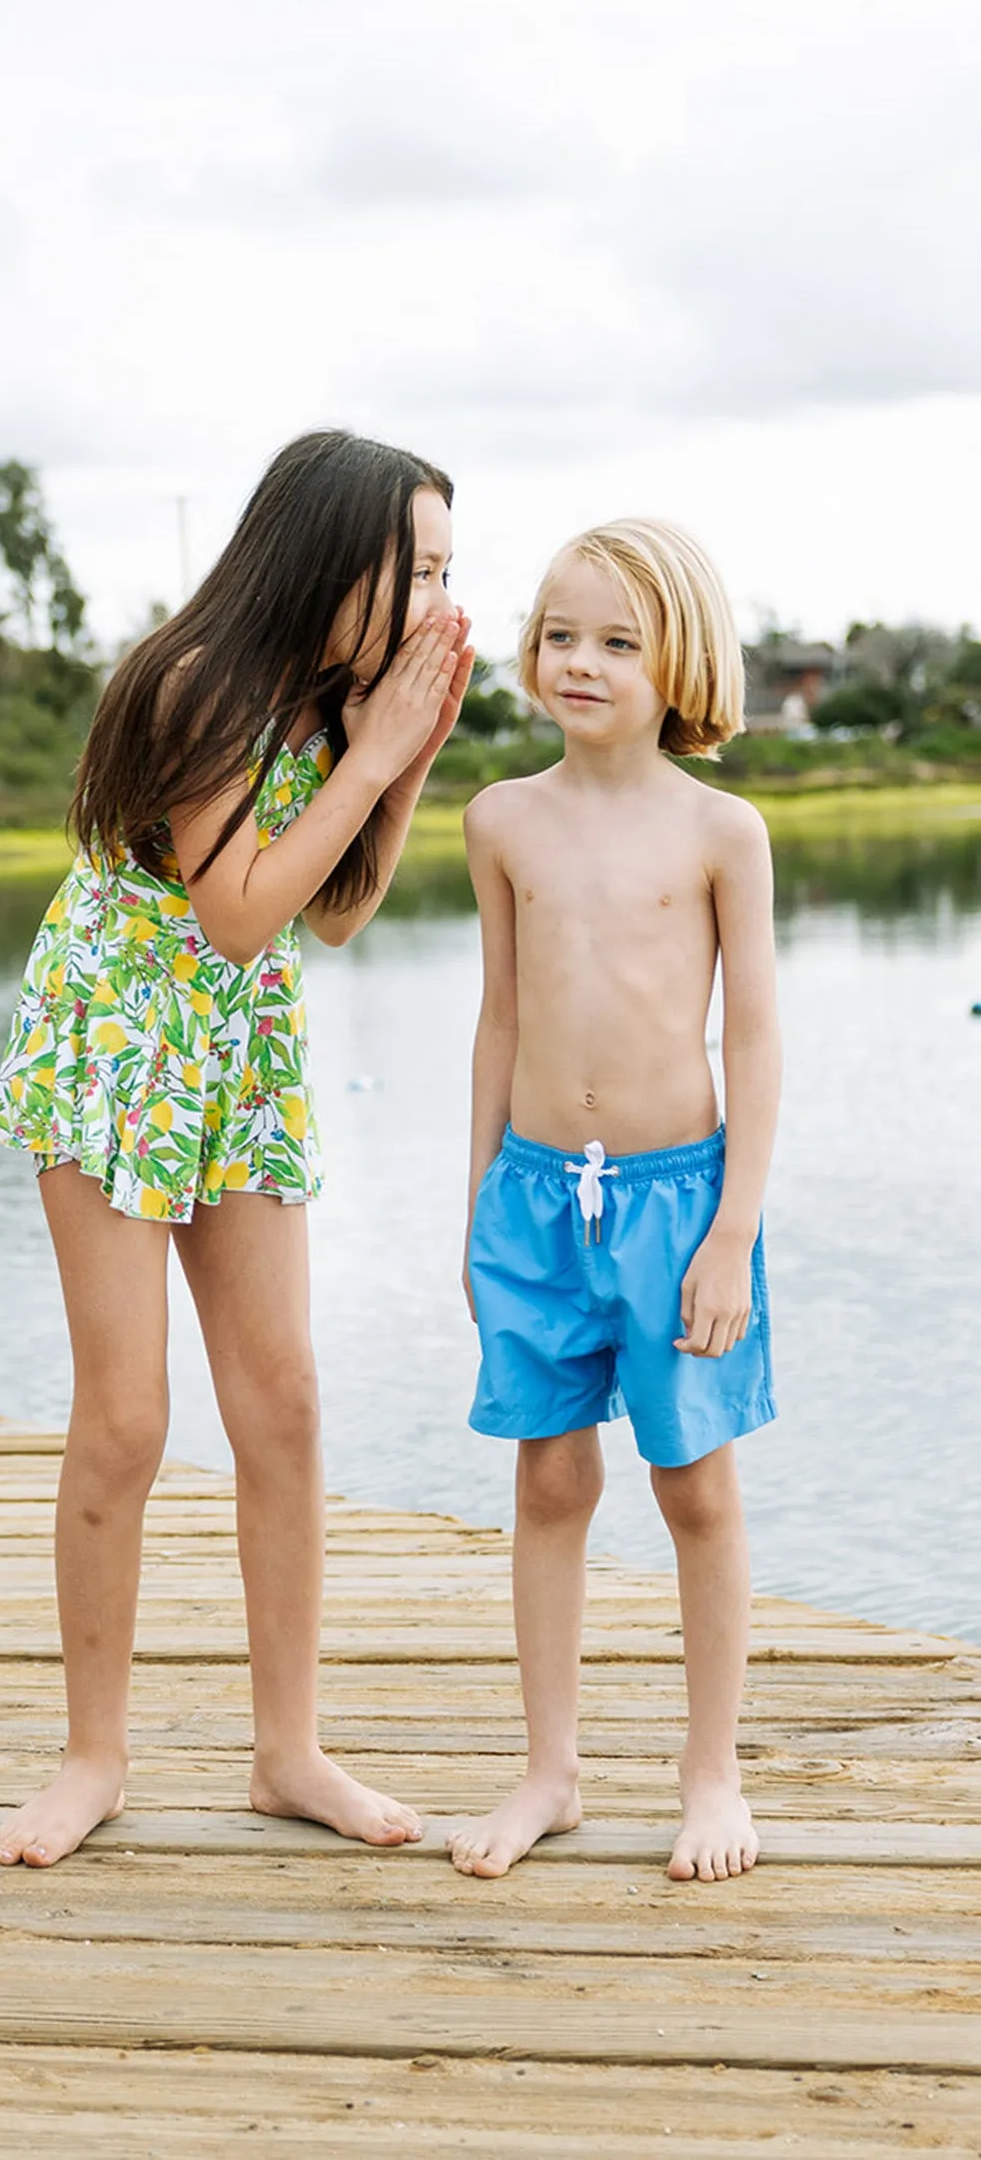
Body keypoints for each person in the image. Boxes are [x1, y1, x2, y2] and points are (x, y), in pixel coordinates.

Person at [0, 428, 475, 1867]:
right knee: (128, 1414)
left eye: (451, 566)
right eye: (419, 567)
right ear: (329, 553)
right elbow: (236, 909)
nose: (441, 596)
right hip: (116, 1036)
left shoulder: (336, 703)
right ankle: (92, 1756)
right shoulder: (196, 681)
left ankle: (286, 1750)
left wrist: (397, 769)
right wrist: (375, 750)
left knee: (285, 1398)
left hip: (238, 1047)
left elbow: (333, 912)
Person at [448, 518, 778, 1887]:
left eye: (614, 640)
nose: (576, 661)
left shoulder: (719, 828)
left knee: (691, 1485)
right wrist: (474, 1208)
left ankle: (711, 1770)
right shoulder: (498, 818)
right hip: (532, 1199)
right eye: (558, 632)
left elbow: (751, 1038)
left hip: (672, 1203)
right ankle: (551, 1768)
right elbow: (497, 1018)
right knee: (547, 1474)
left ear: (677, 661)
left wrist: (729, 1236)